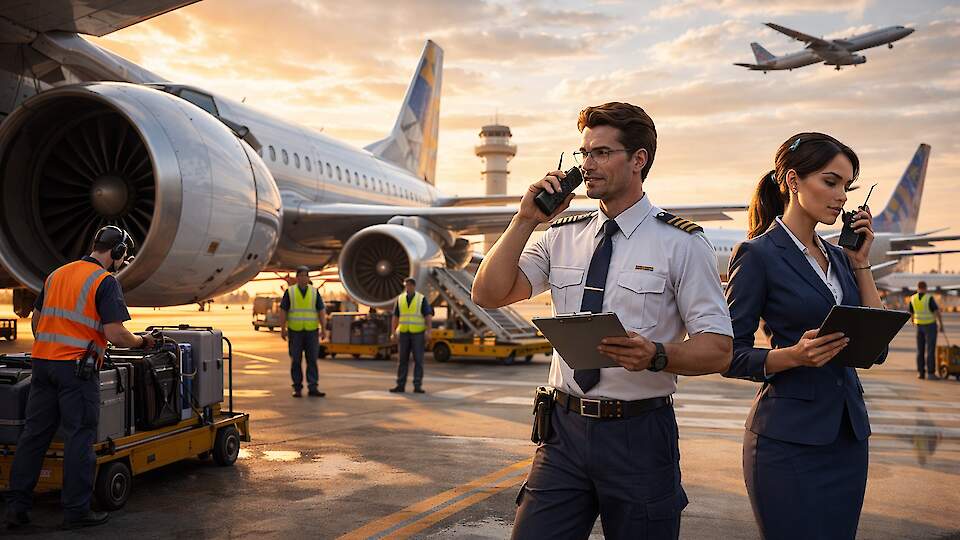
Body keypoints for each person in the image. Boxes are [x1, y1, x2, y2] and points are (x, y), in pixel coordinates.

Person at [472, 102, 733, 539]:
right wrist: (525, 219)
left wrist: (656, 355)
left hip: (640, 435)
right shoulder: (561, 235)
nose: (587, 165)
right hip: (562, 434)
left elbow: (719, 348)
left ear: (638, 160)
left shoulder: (681, 243)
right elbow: (488, 293)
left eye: (601, 153)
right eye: (583, 153)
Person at [724, 133, 886, 539]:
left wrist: (861, 263)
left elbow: (877, 346)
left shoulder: (840, 258)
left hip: (847, 439)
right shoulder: (757, 254)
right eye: (831, 182)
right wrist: (792, 357)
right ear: (793, 181)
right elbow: (727, 354)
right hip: (786, 441)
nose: (842, 197)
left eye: (846, 187)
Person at [6, 226, 155, 531]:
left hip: (43, 365)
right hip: (76, 371)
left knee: (34, 436)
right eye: (121, 256)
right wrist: (142, 342)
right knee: (79, 437)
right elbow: (116, 334)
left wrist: (54, 345)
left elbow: (37, 321)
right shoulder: (105, 282)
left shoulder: (57, 274)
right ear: (116, 253)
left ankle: (16, 510)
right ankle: (76, 510)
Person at [279, 266, 327, 398]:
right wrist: (282, 329)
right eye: (300, 275)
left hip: (311, 331)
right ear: (297, 277)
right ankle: (297, 387)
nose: (303, 278)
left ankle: (313, 387)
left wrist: (323, 329)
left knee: (312, 360)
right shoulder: (290, 292)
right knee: (296, 360)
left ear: (308, 278)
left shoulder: (314, 292)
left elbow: (321, 311)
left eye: (306, 275)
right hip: (295, 331)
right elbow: (283, 311)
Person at [389, 278, 433, 394]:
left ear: (413, 286)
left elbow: (428, 316)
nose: (407, 288)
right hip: (404, 333)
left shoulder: (421, 299)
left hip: (417, 333)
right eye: (406, 286)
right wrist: (393, 332)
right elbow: (395, 317)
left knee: (418, 360)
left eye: (409, 285)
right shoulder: (400, 299)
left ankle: (417, 385)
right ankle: (400, 385)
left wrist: (429, 331)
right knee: (402, 360)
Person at [908, 280, 944, 380]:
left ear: (917, 287)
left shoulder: (913, 298)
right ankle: (931, 373)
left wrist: (913, 322)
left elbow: (911, 312)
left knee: (920, 350)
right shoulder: (929, 298)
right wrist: (941, 325)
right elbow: (936, 311)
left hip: (919, 326)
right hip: (930, 326)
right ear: (926, 288)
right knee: (930, 350)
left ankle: (921, 373)